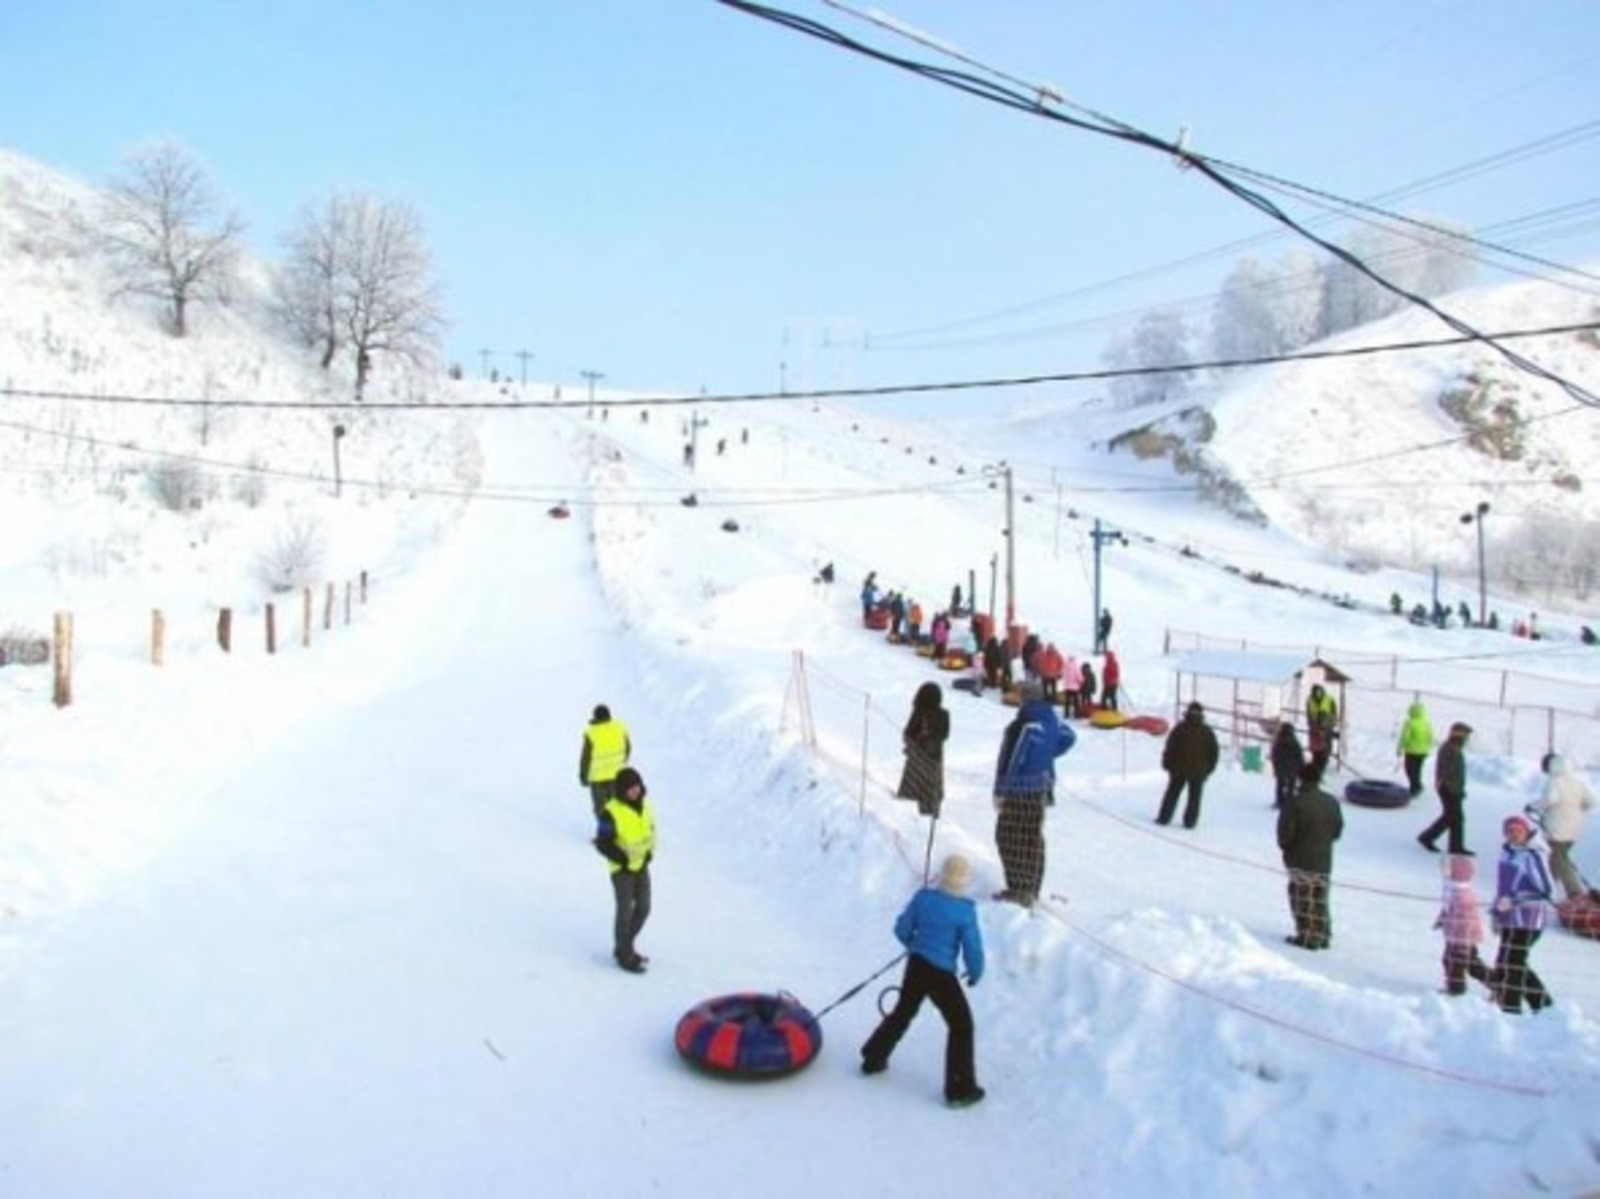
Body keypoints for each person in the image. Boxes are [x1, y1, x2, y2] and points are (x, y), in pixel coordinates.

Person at [859, 854, 986, 1108]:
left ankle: (873, 1058)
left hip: (916, 965)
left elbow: (901, 929)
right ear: (964, 882)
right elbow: (973, 950)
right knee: (961, 1025)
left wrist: (915, 944)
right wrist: (975, 973)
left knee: (903, 1012)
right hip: (941, 974)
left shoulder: (923, 898)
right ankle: (960, 1089)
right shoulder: (965, 912)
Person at [992, 683, 1077, 905]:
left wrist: (1001, 791)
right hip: (1041, 787)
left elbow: (1014, 758)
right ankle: (1032, 888)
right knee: (1033, 838)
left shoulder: (1026, 724)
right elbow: (1069, 736)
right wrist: (1046, 754)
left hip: (1019, 790)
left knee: (1008, 837)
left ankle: (1018, 889)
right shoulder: (1051, 720)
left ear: (1026, 699)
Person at [1489, 813, 1555, 1014]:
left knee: (1514, 961)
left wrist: (1516, 901)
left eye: (1518, 830)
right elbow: (1503, 887)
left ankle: (1511, 1008)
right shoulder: (1507, 852)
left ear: (1526, 831)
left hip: (1529, 919)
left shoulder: (1534, 855)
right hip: (1509, 917)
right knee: (1506, 960)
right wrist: (1496, 912)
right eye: (1509, 831)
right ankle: (1541, 1004)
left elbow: (1547, 891)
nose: (1514, 834)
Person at [592, 767, 655, 974]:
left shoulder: (646, 806)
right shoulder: (610, 812)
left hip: (641, 864)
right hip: (621, 869)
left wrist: (649, 853)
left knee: (644, 907)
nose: (636, 791)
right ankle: (625, 954)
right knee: (625, 911)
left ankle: (623, 946)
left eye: (637, 786)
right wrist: (623, 859)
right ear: (622, 790)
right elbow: (602, 843)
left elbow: (651, 830)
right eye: (630, 788)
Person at [1277, 760, 1344, 949]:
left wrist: (1287, 847)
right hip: (1323, 859)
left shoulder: (1295, 802)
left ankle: (1307, 936)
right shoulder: (1331, 802)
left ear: (1301, 779)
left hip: (1300, 858)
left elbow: (1285, 834)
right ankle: (1323, 933)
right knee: (1320, 897)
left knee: (1302, 897)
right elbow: (1337, 830)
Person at [1527, 752, 1596, 901]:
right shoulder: (1577, 781)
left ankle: (1575, 892)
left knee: (1560, 858)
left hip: (1556, 826)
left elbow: (1550, 799)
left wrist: (1533, 805)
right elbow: (1591, 801)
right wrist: (1574, 809)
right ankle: (1548, 887)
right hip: (1575, 826)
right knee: (1556, 858)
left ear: (1550, 766)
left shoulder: (1555, 781)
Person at [1156, 701, 1220, 829]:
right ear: (1201, 714)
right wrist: (1208, 770)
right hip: (1198, 772)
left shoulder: (1179, 729)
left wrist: (1167, 764)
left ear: (1187, 712)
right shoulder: (1207, 732)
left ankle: (1164, 818)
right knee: (1194, 798)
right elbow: (1214, 753)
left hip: (1178, 769)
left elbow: (1170, 748)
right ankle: (1190, 822)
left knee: (1172, 794)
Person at [1435, 853, 1492, 997]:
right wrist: (1442, 919)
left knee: (1458, 964)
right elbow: (1448, 908)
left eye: (1447, 869)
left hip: (1462, 939)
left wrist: (1463, 944)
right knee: (1463, 963)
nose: (1444, 872)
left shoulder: (1462, 896)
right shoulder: (1452, 890)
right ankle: (1496, 984)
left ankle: (1456, 990)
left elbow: (1466, 922)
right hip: (1455, 936)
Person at [896, 682, 950, 818]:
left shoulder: (920, 712)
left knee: (911, 795)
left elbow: (908, 733)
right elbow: (945, 735)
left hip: (917, 759)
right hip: (935, 760)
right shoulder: (944, 714)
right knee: (931, 793)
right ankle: (931, 815)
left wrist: (916, 741)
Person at [1418, 722, 1472, 855]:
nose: (1467, 738)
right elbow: (1446, 770)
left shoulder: (1455, 748)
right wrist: (1451, 787)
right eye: (1465, 734)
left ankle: (1455, 846)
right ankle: (1427, 838)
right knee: (1452, 816)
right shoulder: (1449, 748)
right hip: (1448, 788)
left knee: (1455, 817)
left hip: (1453, 788)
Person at [579, 703, 632, 819]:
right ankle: (619, 827)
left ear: (595, 717)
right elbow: (628, 748)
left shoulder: (591, 732)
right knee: (618, 806)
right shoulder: (620, 727)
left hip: (598, 778)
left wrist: (583, 776)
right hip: (617, 775)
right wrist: (622, 762)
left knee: (601, 809)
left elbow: (585, 757)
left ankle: (606, 829)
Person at [1396, 700, 1434, 799]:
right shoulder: (1426, 723)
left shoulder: (1410, 723)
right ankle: (1417, 785)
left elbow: (1404, 737)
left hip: (1412, 751)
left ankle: (1415, 788)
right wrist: (1427, 747)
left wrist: (1400, 749)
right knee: (1417, 770)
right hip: (1423, 752)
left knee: (1409, 769)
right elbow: (1431, 737)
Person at [1269, 722, 1306, 810]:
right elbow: (1299, 756)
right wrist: (1302, 767)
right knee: (1291, 785)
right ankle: (1289, 802)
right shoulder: (1294, 742)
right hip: (1292, 768)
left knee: (1280, 785)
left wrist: (1275, 766)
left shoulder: (1278, 741)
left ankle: (1279, 801)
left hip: (1281, 767)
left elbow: (1274, 755)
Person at [1305, 684, 1338, 775]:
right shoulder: (1310, 700)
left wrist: (1331, 724)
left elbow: (1334, 713)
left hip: (1326, 726)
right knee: (1316, 746)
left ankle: (1322, 763)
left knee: (1325, 746)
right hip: (1315, 726)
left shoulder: (1329, 699)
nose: (1316, 693)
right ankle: (1317, 763)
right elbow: (1308, 712)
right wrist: (1311, 723)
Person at [1060, 653, 1083, 719]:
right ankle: (1076, 714)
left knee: (1067, 702)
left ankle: (1066, 714)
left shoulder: (1065, 666)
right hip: (1075, 687)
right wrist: (1081, 681)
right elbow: (1079, 676)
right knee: (1076, 702)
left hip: (1067, 687)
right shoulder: (1076, 666)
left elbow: (1063, 675)